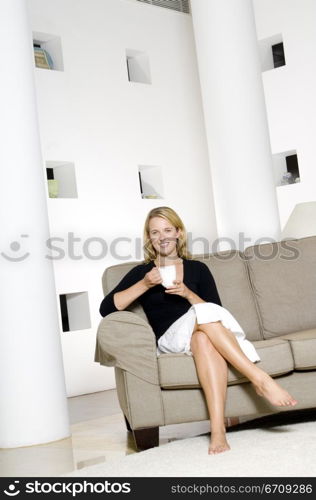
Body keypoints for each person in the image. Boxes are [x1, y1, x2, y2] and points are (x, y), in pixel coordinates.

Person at [99, 206, 298, 455]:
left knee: (204, 338)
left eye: (168, 230)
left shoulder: (197, 270)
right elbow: (107, 308)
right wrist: (144, 284)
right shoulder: (142, 273)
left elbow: (217, 312)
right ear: (149, 238)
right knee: (203, 318)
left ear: (179, 233)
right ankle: (259, 378)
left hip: (198, 333)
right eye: (155, 232)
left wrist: (188, 293)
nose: (162, 236)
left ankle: (217, 431)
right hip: (169, 339)